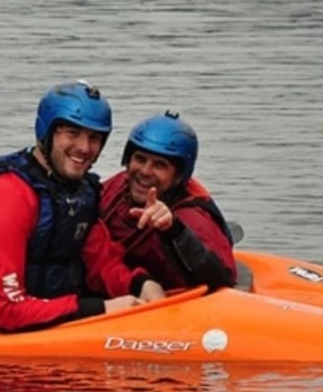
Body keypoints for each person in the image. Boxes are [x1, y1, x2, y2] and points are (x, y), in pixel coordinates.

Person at [0, 80, 167, 332]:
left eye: (94, 138)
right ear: (47, 133)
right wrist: (99, 309)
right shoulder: (4, 199)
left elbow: (101, 262)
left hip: (57, 320)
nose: (84, 148)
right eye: (71, 133)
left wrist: (141, 284)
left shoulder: (80, 191)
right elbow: (6, 310)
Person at [100, 111, 237, 291]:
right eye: (140, 159)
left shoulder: (193, 219)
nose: (145, 171)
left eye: (159, 165)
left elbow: (221, 281)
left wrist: (174, 231)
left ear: (179, 176)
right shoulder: (117, 187)